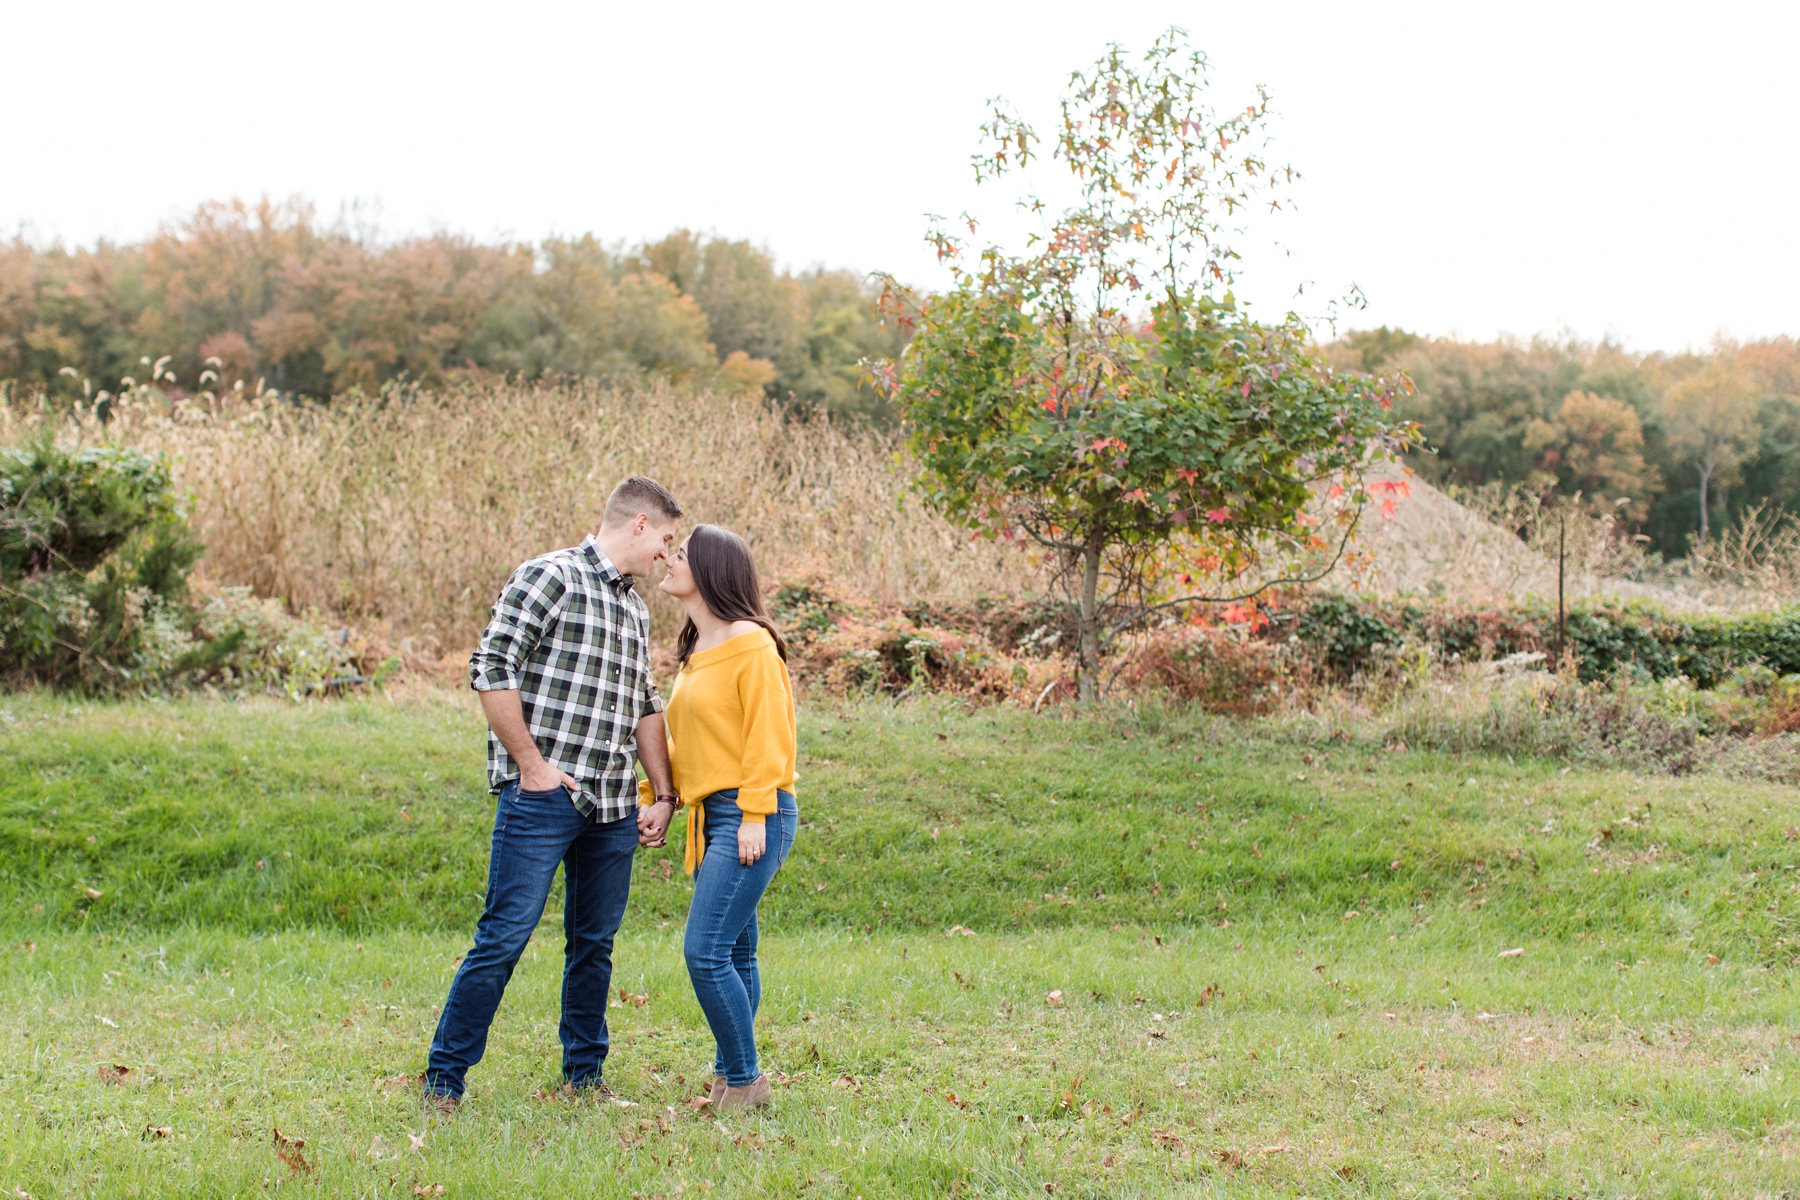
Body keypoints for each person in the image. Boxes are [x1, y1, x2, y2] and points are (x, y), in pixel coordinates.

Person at [422, 477, 682, 1115]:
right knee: (505, 936)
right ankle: (443, 1081)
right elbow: (491, 665)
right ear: (640, 524)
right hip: (544, 797)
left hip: (616, 803)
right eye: (668, 540)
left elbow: (645, 704)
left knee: (594, 943)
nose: (669, 557)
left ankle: (584, 1078)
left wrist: (665, 793)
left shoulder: (635, 607)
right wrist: (530, 766)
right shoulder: (551, 577)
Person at [637, 525, 798, 1114]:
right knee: (734, 953)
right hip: (715, 812)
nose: (668, 560)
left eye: (679, 555)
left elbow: (770, 735)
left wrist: (755, 813)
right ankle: (732, 1079)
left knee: (705, 951)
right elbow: (691, 741)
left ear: (709, 570)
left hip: (754, 811)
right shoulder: (698, 650)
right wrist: (659, 794)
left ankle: (745, 1079)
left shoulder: (751, 642)